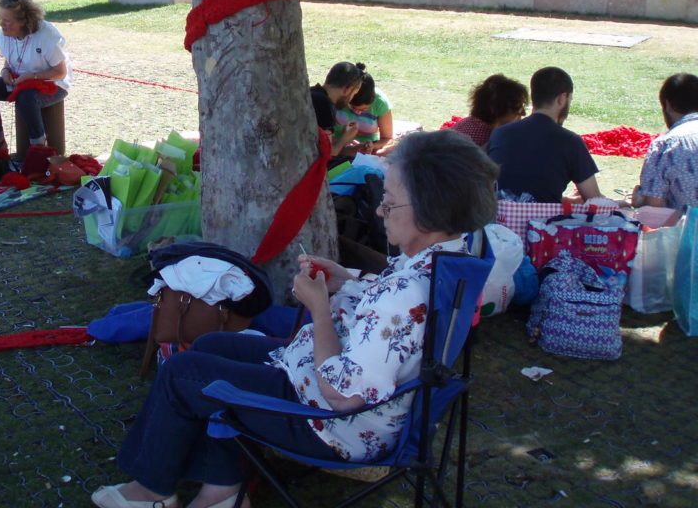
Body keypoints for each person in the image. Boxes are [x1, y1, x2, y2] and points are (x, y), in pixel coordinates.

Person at [91, 130, 499, 508]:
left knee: (184, 374)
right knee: (214, 345)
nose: (379, 210)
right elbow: (393, 308)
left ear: (428, 213)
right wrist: (345, 279)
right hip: (346, 397)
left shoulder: (404, 295)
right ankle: (222, 490)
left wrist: (320, 309)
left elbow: (343, 395)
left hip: (335, 425)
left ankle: (151, 491)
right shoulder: (445, 261)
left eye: (389, 202)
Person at [487, 66, 602, 203]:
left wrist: (570, 201)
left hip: (499, 214)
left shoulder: (500, 134)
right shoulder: (570, 141)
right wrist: (621, 204)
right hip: (544, 216)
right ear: (562, 98)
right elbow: (595, 201)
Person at [0, 0, 71, 153]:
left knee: (26, 98)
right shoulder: (3, 36)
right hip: (20, 81)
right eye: (1, 18)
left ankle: (39, 147)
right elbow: (11, 58)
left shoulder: (47, 35)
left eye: (7, 20)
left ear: (24, 21)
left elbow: (60, 72)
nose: (1, 24)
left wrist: (32, 76)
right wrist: (5, 71)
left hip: (53, 84)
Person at [632, 73, 698, 211]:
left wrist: (639, 201)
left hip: (687, 224)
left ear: (668, 105)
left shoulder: (665, 145)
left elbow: (652, 208)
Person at [450, 74, 529, 147]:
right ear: (497, 109)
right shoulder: (489, 140)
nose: (523, 113)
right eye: (517, 108)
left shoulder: (468, 123)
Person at [309, 62, 366, 158]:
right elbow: (329, 153)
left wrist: (353, 150)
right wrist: (345, 138)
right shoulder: (325, 105)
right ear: (348, 89)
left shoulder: (311, 92)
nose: (351, 99)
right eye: (354, 94)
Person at [344, 66, 393, 153]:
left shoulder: (380, 102)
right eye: (353, 108)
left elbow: (387, 139)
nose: (358, 113)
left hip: (367, 151)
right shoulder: (339, 98)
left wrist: (372, 146)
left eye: (364, 110)